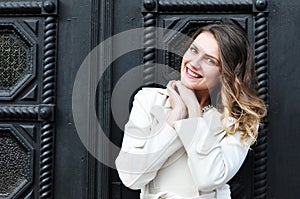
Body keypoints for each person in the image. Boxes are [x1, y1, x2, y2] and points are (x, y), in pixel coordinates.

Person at [115, 23, 267, 199]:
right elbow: (131, 177)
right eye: (194, 50)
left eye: (210, 60)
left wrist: (194, 114)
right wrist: (175, 117)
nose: (194, 63)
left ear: (225, 73)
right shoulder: (149, 100)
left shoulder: (240, 121)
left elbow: (208, 179)